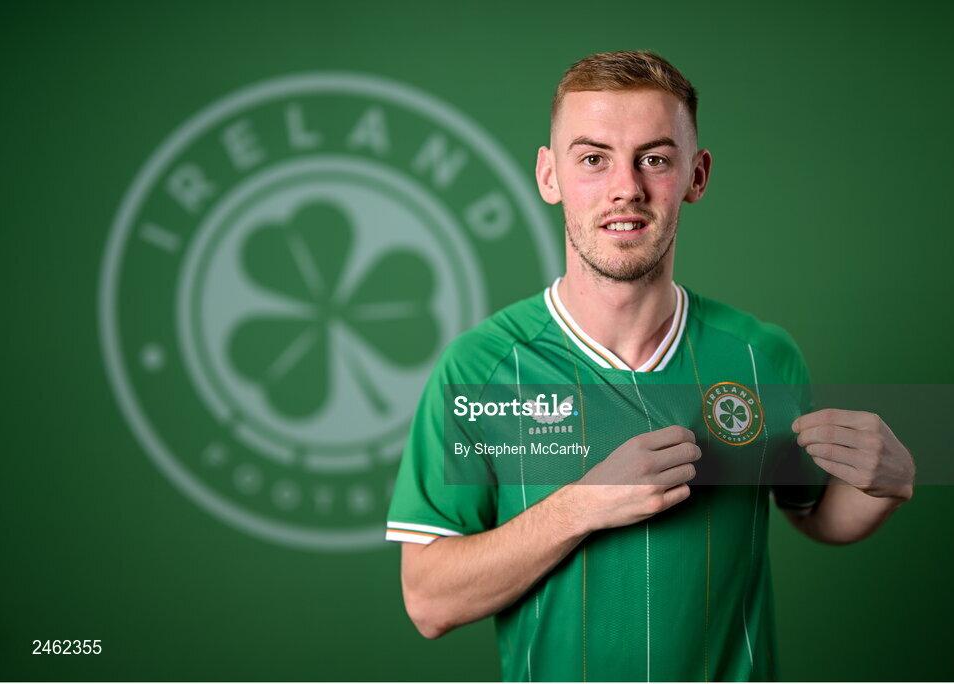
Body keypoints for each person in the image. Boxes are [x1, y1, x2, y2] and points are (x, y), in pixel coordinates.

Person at [385, 50, 915, 682]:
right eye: (593, 159)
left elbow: (815, 515)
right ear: (549, 176)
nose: (625, 188)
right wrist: (582, 505)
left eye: (655, 159)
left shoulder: (761, 354)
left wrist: (884, 486)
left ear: (697, 175)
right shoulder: (479, 367)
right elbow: (428, 601)